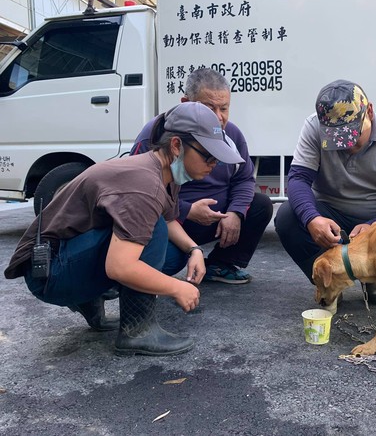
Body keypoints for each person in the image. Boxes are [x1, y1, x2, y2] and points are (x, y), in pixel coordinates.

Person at [4, 102, 245, 356]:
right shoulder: (144, 184)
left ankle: (89, 298)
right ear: (176, 146)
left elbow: (169, 218)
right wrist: (177, 288)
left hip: (65, 255)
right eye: (209, 156)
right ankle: (137, 331)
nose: (214, 164)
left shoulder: (163, 171)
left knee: (173, 250)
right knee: (153, 231)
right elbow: (120, 266)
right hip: (48, 272)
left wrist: (194, 250)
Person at [275, 79, 376, 306]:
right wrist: (312, 219)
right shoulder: (314, 127)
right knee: (288, 218)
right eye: (337, 139)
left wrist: (375, 227)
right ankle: (330, 282)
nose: (346, 145)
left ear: (370, 111)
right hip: (331, 210)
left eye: (353, 136)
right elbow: (298, 179)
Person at [131, 68, 273, 284]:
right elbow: (139, 195)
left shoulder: (232, 134)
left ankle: (221, 264)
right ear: (186, 102)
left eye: (224, 108)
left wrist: (235, 213)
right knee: (170, 258)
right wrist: (187, 210)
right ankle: (125, 278)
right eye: (209, 108)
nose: (218, 117)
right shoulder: (154, 135)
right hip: (173, 220)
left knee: (260, 204)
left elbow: (244, 179)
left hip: (216, 218)